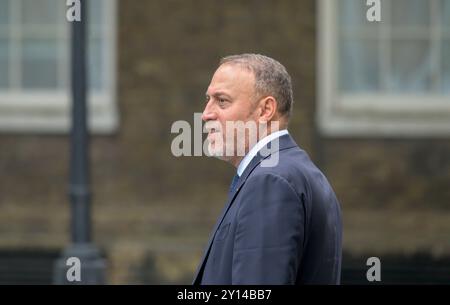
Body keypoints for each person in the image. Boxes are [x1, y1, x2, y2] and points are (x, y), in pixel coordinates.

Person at [193, 54, 342, 285]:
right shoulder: (292, 172)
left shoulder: (271, 181)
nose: (206, 114)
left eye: (222, 101)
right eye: (208, 99)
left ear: (265, 110)